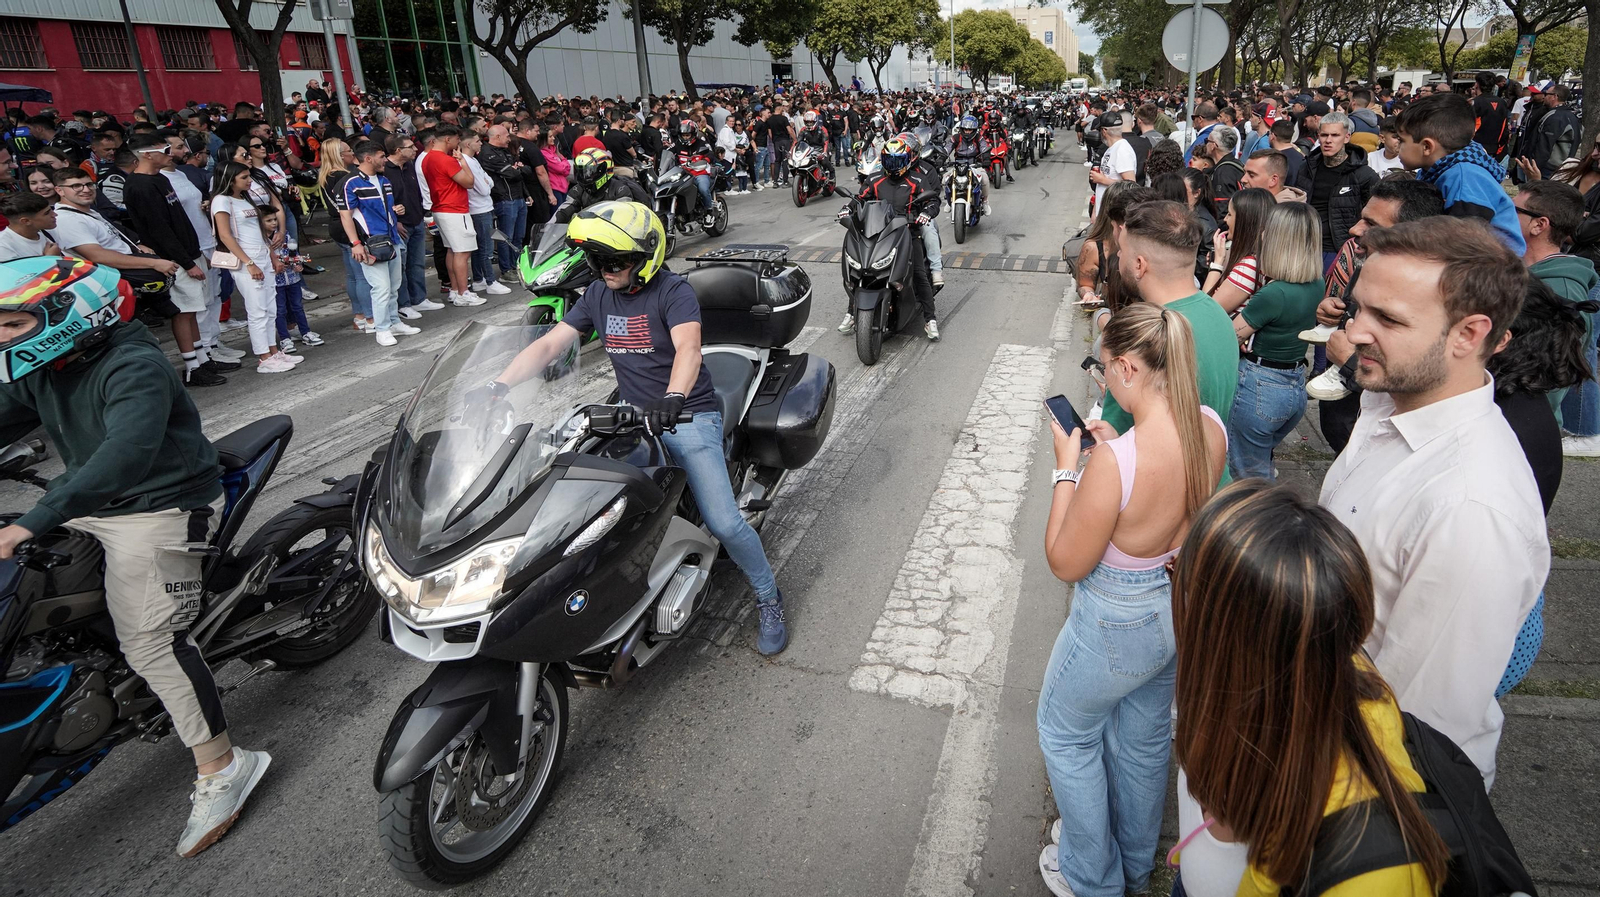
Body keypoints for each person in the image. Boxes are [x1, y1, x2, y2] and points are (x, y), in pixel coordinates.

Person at [0, 256, 271, 857]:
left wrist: (32, 521)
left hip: (160, 502)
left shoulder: (133, 363)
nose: (3, 337)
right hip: (89, 499)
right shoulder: (47, 362)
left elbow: (125, 452)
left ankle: (224, 766)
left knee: (149, 640)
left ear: (71, 313)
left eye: (13, 324)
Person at [482, 200, 791, 654]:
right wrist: (497, 386)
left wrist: (674, 397)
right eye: (600, 260)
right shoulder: (597, 294)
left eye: (617, 261)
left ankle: (768, 597)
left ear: (646, 256)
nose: (606, 269)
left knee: (724, 523)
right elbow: (550, 344)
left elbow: (688, 350)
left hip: (687, 413)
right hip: (630, 413)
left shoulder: (674, 292)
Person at [1321, 217, 1548, 787]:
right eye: (1360, 308)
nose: (1358, 331)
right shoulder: (1390, 403)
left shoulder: (1469, 508)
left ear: (1469, 335)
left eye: (1389, 318)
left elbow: (1416, 726)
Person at [1167, 481, 1449, 897]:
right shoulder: (1306, 669)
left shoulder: (1369, 878)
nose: (1176, 592)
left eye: (1181, 580)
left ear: (1230, 638)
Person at [1036, 303, 1229, 897]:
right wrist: (1114, 446)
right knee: (1144, 740)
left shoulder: (1116, 464)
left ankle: (1092, 877)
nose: (1101, 378)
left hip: (1116, 617)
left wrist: (1068, 470)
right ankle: (1138, 862)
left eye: (1102, 367)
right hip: (1174, 605)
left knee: (1065, 734)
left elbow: (1066, 560)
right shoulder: (1211, 427)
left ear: (1126, 367)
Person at [1098, 202, 1240, 449]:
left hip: (1155, 481)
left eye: (1122, 250)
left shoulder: (1143, 334)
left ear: (1139, 265)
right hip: (1210, 474)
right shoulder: (1218, 313)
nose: (1118, 255)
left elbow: (1115, 440)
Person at [1226, 202, 1324, 479]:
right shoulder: (1316, 282)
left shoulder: (1274, 293)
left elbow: (1229, 336)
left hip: (1259, 388)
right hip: (1293, 386)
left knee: (1247, 477)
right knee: (1260, 463)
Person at [124, 133, 225, 388]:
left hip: (189, 252)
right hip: (173, 259)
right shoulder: (139, 186)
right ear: (146, 154)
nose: (170, 153)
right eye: (165, 148)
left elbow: (179, 220)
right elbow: (159, 230)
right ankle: (192, 366)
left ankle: (202, 358)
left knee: (194, 308)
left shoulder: (159, 179)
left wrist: (196, 252)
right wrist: (186, 262)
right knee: (183, 311)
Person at [839, 135, 941, 342]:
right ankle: (851, 312)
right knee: (860, 270)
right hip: (878, 233)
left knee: (920, 274)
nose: (893, 165)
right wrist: (846, 208)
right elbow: (860, 198)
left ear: (907, 160)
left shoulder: (917, 180)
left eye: (898, 160)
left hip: (908, 233)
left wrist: (926, 213)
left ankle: (930, 319)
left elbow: (933, 201)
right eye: (889, 160)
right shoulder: (876, 179)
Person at [1396, 92, 1525, 254]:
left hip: (1493, 267)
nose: (1397, 147)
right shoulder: (1438, 169)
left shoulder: (1465, 178)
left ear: (1427, 147)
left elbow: (1466, 243)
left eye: (1401, 140)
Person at [1513, 179, 1598, 426]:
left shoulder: (1562, 289)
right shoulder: (1518, 270)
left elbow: (1552, 377)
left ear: (1539, 225)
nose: (1502, 213)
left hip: (1525, 426)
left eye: (1514, 210)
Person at [212, 162, 300, 374]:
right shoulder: (221, 201)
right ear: (230, 179)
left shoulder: (245, 198)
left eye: (248, 176)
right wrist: (248, 263)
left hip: (262, 256)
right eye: (244, 177)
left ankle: (273, 350)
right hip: (246, 260)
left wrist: (273, 257)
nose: (249, 180)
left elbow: (259, 231)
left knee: (270, 308)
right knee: (257, 310)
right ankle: (263, 357)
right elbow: (225, 235)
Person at [338, 141, 414, 347]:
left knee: (393, 285)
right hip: (371, 242)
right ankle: (381, 329)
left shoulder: (383, 180)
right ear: (368, 158)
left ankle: (394, 321)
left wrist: (396, 213)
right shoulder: (350, 182)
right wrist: (355, 243)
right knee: (380, 287)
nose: (385, 160)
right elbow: (345, 216)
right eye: (381, 156)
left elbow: (385, 208)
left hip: (392, 239)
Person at [1290, 111, 1378, 270]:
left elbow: (1375, 216)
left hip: (1337, 249)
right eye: (1324, 135)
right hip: (1302, 244)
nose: (1328, 140)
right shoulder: (1307, 167)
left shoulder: (1363, 175)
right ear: (1318, 136)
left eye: (1335, 135)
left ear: (1347, 137)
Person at [421, 124, 480, 306]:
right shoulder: (446, 160)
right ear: (447, 139)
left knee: (452, 251)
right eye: (456, 140)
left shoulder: (426, 158)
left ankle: (455, 290)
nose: (458, 144)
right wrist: (462, 161)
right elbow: (469, 182)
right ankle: (463, 293)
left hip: (441, 208)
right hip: (454, 209)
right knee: (462, 252)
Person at [1202, 187, 1273, 312]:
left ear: (1244, 221)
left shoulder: (1249, 266)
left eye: (1229, 214)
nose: (1225, 219)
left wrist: (1217, 264)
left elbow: (1206, 310)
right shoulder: (1258, 259)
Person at [457, 130, 506, 295]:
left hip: (483, 207)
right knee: (485, 247)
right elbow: (484, 188)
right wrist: (486, 183)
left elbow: (489, 181)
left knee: (480, 247)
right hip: (478, 208)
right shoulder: (467, 162)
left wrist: (487, 183)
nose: (481, 144)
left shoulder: (473, 160)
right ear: (468, 144)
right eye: (477, 141)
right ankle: (490, 281)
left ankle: (479, 279)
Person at [480, 124, 528, 281]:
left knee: (519, 236)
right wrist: (517, 170)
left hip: (518, 197)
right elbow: (512, 173)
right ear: (497, 137)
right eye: (507, 135)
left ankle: (517, 266)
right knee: (506, 237)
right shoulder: (487, 154)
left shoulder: (506, 151)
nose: (510, 138)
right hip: (504, 200)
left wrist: (526, 193)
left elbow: (523, 171)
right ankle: (506, 270)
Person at [553, 148, 650, 223]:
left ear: (604, 170)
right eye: (581, 171)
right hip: (585, 235)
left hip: (613, 240)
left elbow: (622, 217)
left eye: (589, 172)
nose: (584, 177)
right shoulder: (579, 189)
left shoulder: (620, 189)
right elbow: (564, 210)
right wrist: (549, 227)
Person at [1089, 112, 1137, 220]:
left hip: (1113, 216)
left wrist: (1102, 179)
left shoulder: (1123, 150)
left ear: (1104, 131)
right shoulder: (1111, 149)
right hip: (1103, 215)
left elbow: (1130, 185)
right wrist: (1095, 212)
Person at [949, 115, 994, 216]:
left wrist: (986, 159)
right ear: (961, 129)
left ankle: (985, 202)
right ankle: (949, 200)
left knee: (985, 179)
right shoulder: (956, 138)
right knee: (945, 179)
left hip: (975, 165)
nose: (967, 132)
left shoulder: (979, 138)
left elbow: (984, 148)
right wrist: (941, 158)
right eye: (965, 129)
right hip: (958, 166)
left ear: (974, 130)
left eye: (970, 130)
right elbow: (947, 148)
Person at [1238, 149, 1306, 202]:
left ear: (1273, 180)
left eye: (1251, 175)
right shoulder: (1258, 206)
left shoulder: (1283, 217)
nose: (1243, 179)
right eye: (1244, 173)